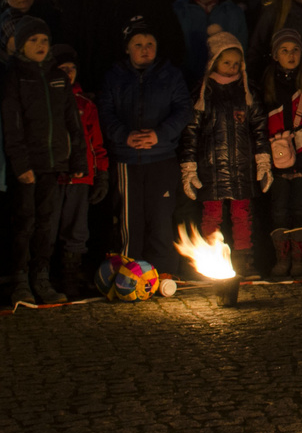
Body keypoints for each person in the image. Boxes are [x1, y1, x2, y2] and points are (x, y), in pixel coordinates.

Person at [97, 18, 190, 272]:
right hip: (127, 160)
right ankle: (129, 272)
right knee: (130, 219)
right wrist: (124, 135)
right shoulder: (115, 77)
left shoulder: (170, 75)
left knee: (160, 218)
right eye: (138, 44)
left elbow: (183, 110)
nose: (145, 49)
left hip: (161, 158)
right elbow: (104, 112)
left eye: (150, 43)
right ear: (127, 48)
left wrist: (159, 135)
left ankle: (162, 273)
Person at [2, 17, 83, 303]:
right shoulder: (14, 76)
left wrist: (77, 160)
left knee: (47, 222)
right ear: (22, 44)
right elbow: (12, 124)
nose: (39, 45)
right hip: (27, 165)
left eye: (44, 40)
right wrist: (21, 164)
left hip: (53, 163)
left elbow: (72, 122)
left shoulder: (57, 76)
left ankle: (41, 277)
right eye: (33, 40)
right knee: (24, 222)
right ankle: (19, 279)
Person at [180, 28, 272, 277]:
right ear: (214, 62)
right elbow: (191, 131)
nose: (232, 67)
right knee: (211, 215)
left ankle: (244, 263)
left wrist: (263, 161)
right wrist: (189, 166)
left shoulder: (247, 92)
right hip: (211, 168)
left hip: (242, 167)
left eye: (236, 62)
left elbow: (260, 128)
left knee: (243, 215)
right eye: (226, 62)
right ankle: (211, 263)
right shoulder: (203, 93)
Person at [263, 28, 302, 278]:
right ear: (275, 55)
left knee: (300, 207)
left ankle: (300, 258)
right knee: (279, 208)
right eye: (284, 50)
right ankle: (282, 257)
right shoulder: (266, 82)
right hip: (276, 155)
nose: (290, 55)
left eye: (295, 50)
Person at [50, 45, 109, 296]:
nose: (68, 73)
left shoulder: (86, 104)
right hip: (52, 178)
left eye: (72, 68)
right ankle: (45, 276)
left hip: (81, 178)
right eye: (62, 69)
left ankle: (70, 279)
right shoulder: (46, 101)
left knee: (76, 229)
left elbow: (96, 144)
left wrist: (101, 175)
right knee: (48, 227)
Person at [173, 0, 250, 85]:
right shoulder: (178, 11)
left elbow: (242, 50)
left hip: (226, 85)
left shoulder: (234, 12)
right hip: (187, 83)